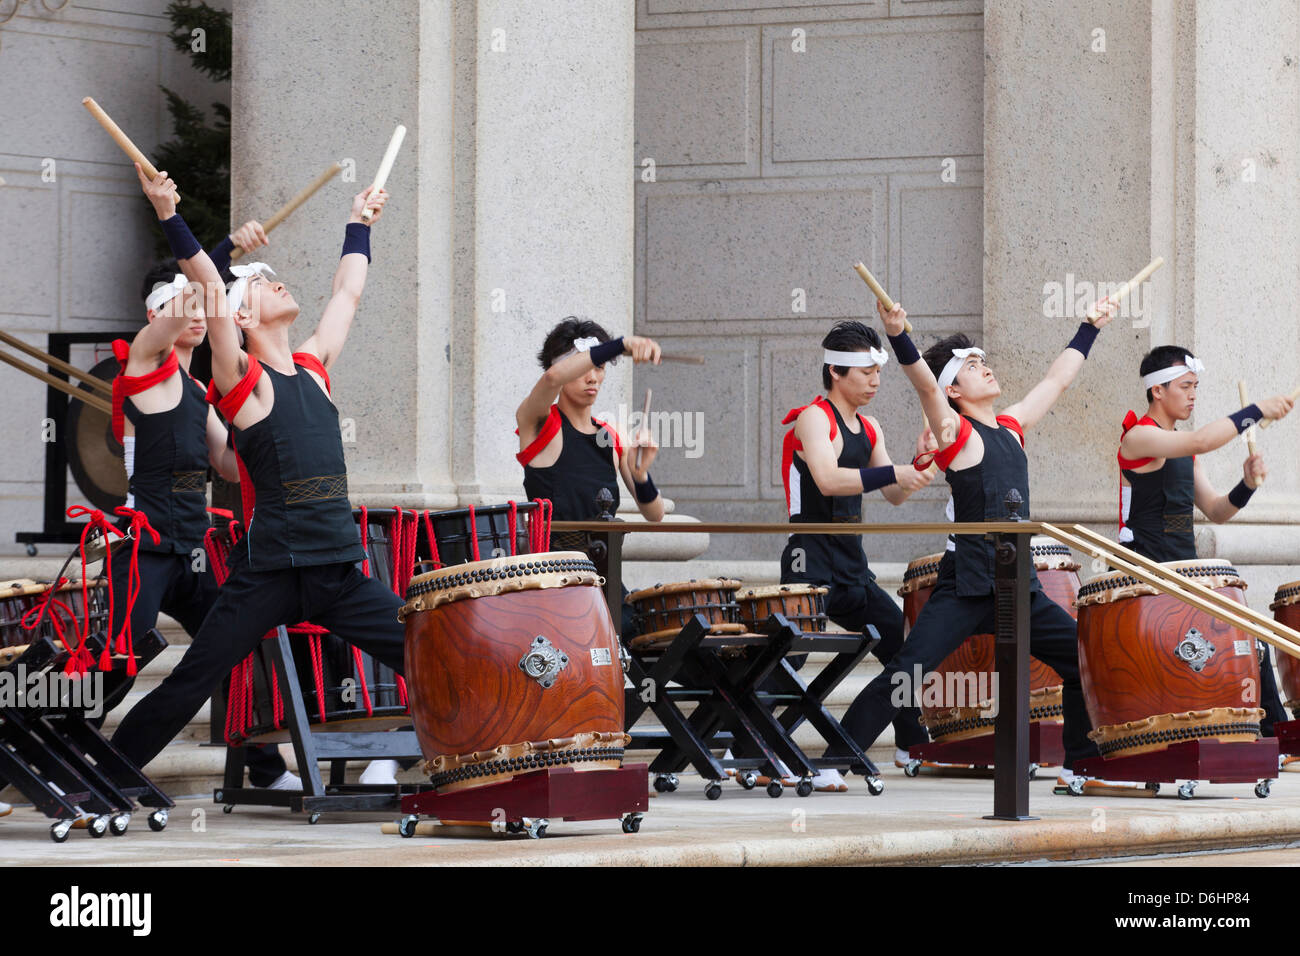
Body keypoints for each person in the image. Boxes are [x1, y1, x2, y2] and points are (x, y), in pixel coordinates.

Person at [109, 164, 408, 783]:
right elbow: (210, 288)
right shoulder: (242, 383)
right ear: (240, 319)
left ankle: (447, 750)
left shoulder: (314, 367)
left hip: (336, 573)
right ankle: (105, 773)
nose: (275, 283)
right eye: (261, 285)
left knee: (428, 651)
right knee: (197, 677)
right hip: (269, 574)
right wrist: (169, 213)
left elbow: (348, 292)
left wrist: (359, 224)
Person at [853, 295, 1136, 795]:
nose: (985, 370)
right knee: (907, 671)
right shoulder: (955, 432)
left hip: (1017, 587)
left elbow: (1057, 380)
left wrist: (1089, 327)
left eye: (984, 362)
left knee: (1079, 657)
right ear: (954, 391)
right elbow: (922, 382)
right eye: (972, 367)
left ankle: (1080, 764)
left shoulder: (1010, 428)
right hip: (967, 586)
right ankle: (837, 755)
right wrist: (898, 333)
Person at [99, 219, 298, 790]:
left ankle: (262, 768)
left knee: (231, 648)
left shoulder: (196, 391)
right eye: (174, 304)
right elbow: (196, 290)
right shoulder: (141, 367)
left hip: (189, 547)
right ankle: (59, 745)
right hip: (141, 546)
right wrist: (227, 249)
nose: (190, 312)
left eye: (194, 304)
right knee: (118, 659)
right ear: (154, 317)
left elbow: (231, 465)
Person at [1117, 345, 1295, 765]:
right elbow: (1200, 438)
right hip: (1148, 572)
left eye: (1196, 386)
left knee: (1249, 640)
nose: (1193, 395)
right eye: (1185, 386)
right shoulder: (1138, 436)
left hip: (1187, 571)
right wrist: (1254, 411)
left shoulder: (1184, 449)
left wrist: (1246, 485)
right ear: (1157, 391)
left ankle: (1269, 738)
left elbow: (1216, 509)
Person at [778, 320, 934, 790]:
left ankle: (905, 742)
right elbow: (827, 479)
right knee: (790, 658)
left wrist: (919, 464)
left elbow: (893, 495)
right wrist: (895, 472)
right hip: (810, 559)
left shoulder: (870, 426)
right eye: (865, 371)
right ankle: (757, 748)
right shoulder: (814, 418)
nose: (875, 380)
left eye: (877, 371)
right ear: (835, 371)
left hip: (852, 563)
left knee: (904, 650)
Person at [515, 318, 665, 635]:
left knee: (650, 634)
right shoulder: (539, 423)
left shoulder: (610, 437)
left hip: (605, 581)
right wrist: (621, 345)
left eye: (600, 368)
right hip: (553, 580)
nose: (592, 376)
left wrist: (641, 477)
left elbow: (655, 514)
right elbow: (553, 376)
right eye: (584, 366)